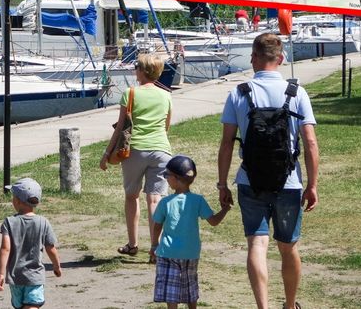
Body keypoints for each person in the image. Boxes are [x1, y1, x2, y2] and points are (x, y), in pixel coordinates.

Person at [217, 33, 320, 309]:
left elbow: (226, 143)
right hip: (288, 182)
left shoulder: (238, 93)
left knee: (257, 245)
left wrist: (222, 184)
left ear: (253, 58)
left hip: (250, 181)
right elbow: (310, 142)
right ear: (281, 58)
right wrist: (312, 184)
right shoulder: (296, 92)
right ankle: (289, 305)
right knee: (288, 248)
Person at [99, 53, 172, 261]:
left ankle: (133, 244)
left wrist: (106, 154)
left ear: (142, 71)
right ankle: (156, 248)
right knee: (155, 198)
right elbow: (166, 126)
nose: (135, 70)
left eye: (137, 67)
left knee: (132, 196)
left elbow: (121, 127)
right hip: (161, 150)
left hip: (135, 151)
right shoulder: (166, 95)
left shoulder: (131, 93)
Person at [152, 155, 231, 309]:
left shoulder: (165, 202)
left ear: (176, 178)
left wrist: (154, 244)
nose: (166, 179)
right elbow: (213, 221)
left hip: (168, 252)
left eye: (167, 175)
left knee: (171, 290)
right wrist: (226, 209)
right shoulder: (198, 200)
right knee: (190, 286)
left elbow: (157, 225)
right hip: (191, 252)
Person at [0, 177, 62, 309]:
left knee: (21, 306)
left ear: (18, 201)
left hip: (16, 278)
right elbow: (51, 248)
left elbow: (5, 249)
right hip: (34, 276)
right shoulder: (43, 222)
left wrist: (1, 274)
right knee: (32, 305)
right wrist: (56, 266)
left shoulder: (9, 222)